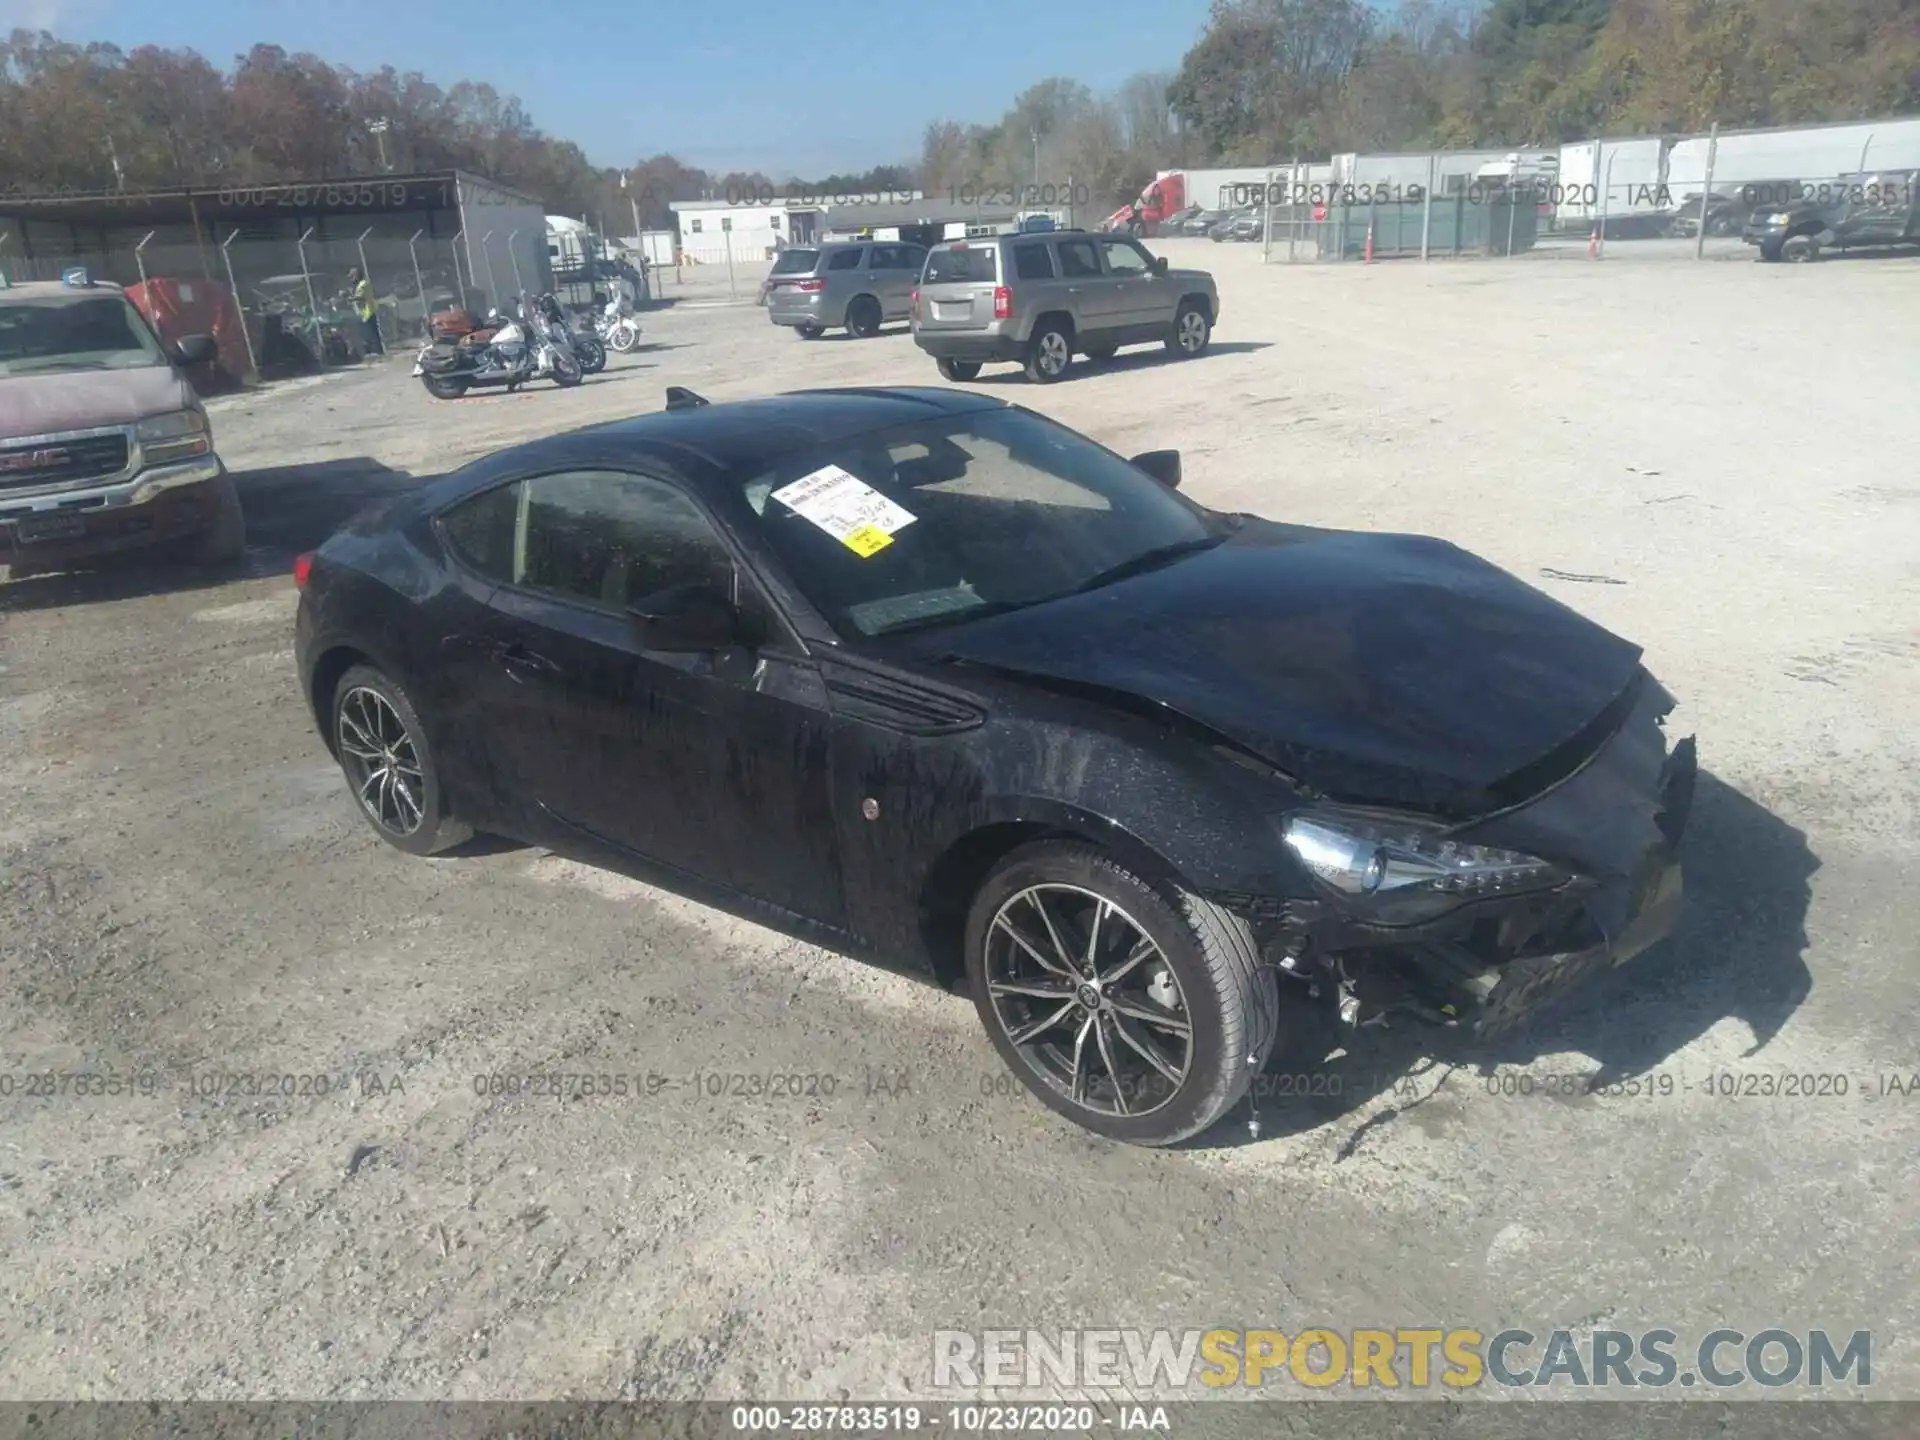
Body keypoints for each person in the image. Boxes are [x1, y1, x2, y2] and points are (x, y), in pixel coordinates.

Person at [346, 267, 383, 357]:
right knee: (370, 332)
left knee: (370, 333)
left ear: (357, 276)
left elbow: (361, 297)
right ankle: (375, 351)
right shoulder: (361, 284)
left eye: (352, 277)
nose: (351, 280)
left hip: (368, 312)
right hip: (365, 312)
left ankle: (376, 351)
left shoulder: (363, 284)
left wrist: (350, 298)